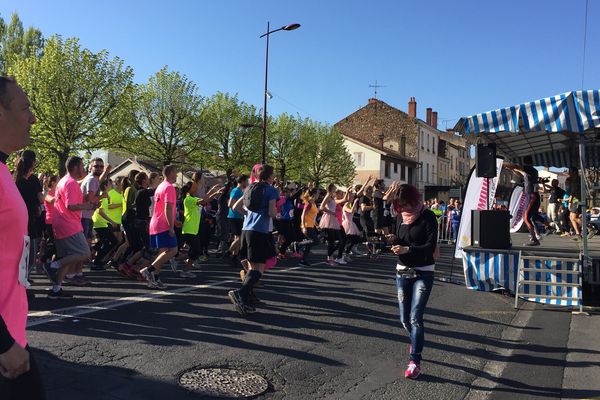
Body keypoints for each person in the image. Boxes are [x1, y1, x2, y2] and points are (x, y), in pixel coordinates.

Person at [0, 76, 45, 399]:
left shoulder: (2, 170)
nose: (32, 117)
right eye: (25, 108)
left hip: (14, 337)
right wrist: (3, 343)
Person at [387, 183, 437, 380]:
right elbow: (401, 240)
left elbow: (430, 245)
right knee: (404, 319)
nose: (404, 208)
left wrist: (408, 249)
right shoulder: (400, 216)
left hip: (424, 271)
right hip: (403, 270)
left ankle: (414, 360)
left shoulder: (428, 216)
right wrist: (393, 239)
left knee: (416, 317)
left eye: (406, 204)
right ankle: (415, 341)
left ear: (414, 200)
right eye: (401, 205)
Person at [228, 164, 279, 316]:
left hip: (246, 230)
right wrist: (275, 213)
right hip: (260, 231)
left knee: (252, 268)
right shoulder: (271, 190)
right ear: (269, 177)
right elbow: (270, 212)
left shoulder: (249, 187)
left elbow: (235, 207)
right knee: (259, 270)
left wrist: (248, 215)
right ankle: (240, 293)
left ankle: (247, 297)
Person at [46, 156, 95, 296]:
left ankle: (56, 288)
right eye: (81, 166)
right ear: (75, 167)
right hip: (69, 224)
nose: (83, 168)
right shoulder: (71, 183)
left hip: (60, 223)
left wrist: (86, 203)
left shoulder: (63, 181)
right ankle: (51, 265)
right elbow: (71, 205)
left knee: (67, 258)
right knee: (84, 253)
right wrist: (87, 205)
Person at [140, 165, 179, 289]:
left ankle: (155, 279)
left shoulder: (160, 186)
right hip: (163, 224)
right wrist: (171, 226)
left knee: (163, 253)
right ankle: (149, 270)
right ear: (171, 173)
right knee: (173, 250)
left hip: (155, 223)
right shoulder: (169, 187)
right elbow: (168, 207)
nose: (177, 175)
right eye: (176, 172)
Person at [506, 156, 543, 246]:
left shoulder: (529, 169)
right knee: (530, 217)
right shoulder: (532, 171)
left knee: (526, 217)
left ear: (525, 163)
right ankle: (539, 234)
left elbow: (517, 167)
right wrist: (512, 170)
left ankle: (535, 239)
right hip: (531, 196)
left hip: (531, 196)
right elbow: (522, 174)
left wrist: (505, 165)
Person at [319, 183, 347, 266]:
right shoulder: (328, 195)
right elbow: (321, 207)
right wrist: (331, 212)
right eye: (335, 187)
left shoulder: (332, 197)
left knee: (338, 240)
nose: (336, 188)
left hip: (333, 219)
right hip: (328, 218)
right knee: (332, 240)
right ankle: (329, 258)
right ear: (331, 188)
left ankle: (331, 257)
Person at [228, 175, 248, 264]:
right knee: (240, 238)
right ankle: (228, 252)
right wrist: (241, 211)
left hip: (238, 217)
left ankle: (234, 256)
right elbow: (230, 204)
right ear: (242, 181)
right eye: (246, 181)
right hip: (234, 217)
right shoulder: (236, 191)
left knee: (237, 238)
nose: (247, 183)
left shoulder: (240, 191)